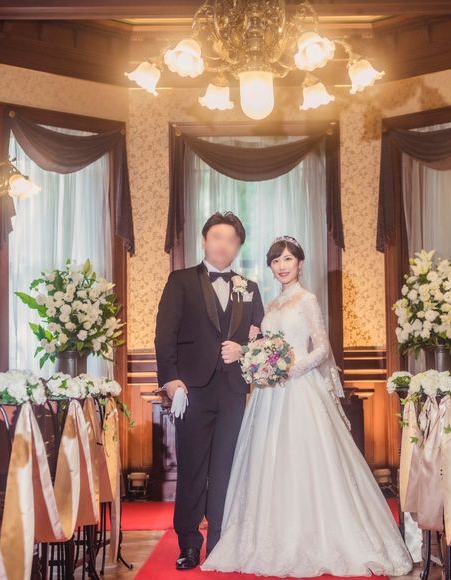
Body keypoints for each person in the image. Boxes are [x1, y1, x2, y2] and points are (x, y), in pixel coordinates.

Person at [201, 236, 414, 577]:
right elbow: (265, 345)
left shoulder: (308, 300)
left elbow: (322, 350)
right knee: (268, 461)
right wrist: (259, 357)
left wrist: (288, 369)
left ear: (300, 263)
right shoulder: (271, 304)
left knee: (306, 459)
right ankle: (269, 538)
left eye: (288, 259)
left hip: (299, 389)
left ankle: (321, 537)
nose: (282, 266)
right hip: (269, 393)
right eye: (276, 260)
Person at [154, 212, 264, 570]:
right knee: (191, 468)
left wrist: (244, 350)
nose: (223, 245)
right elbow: (164, 334)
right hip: (191, 389)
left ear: (238, 246)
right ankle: (188, 543)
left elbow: (262, 341)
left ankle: (219, 542)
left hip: (233, 390)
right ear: (204, 241)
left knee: (225, 470)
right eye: (217, 237)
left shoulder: (249, 287)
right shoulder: (181, 280)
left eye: (231, 239)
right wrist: (171, 379)